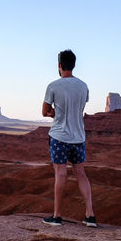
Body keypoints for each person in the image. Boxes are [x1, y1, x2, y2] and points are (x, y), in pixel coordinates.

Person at [41, 49, 97, 227]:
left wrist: (55, 114)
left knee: (60, 174)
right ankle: (90, 216)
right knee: (81, 174)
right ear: (73, 65)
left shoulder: (53, 86)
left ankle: (57, 216)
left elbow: (44, 111)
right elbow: (79, 107)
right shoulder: (83, 86)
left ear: (59, 65)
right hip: (78, 137)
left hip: (59, 136)